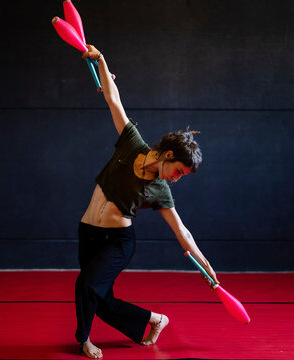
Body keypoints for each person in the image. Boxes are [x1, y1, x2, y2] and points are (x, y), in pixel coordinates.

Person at [75, 44, 220, 359]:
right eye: (178, 171)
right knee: (99, 299)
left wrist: (205, 264)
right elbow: (113, 99)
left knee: (86, 285)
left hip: (118, 241)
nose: (176, 179)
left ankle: (83, 340)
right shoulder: (132, 144)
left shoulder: (160, 190)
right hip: (87, 231)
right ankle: (155, 320)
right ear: (169, 155)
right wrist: (101, 59)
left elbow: (181, 230)